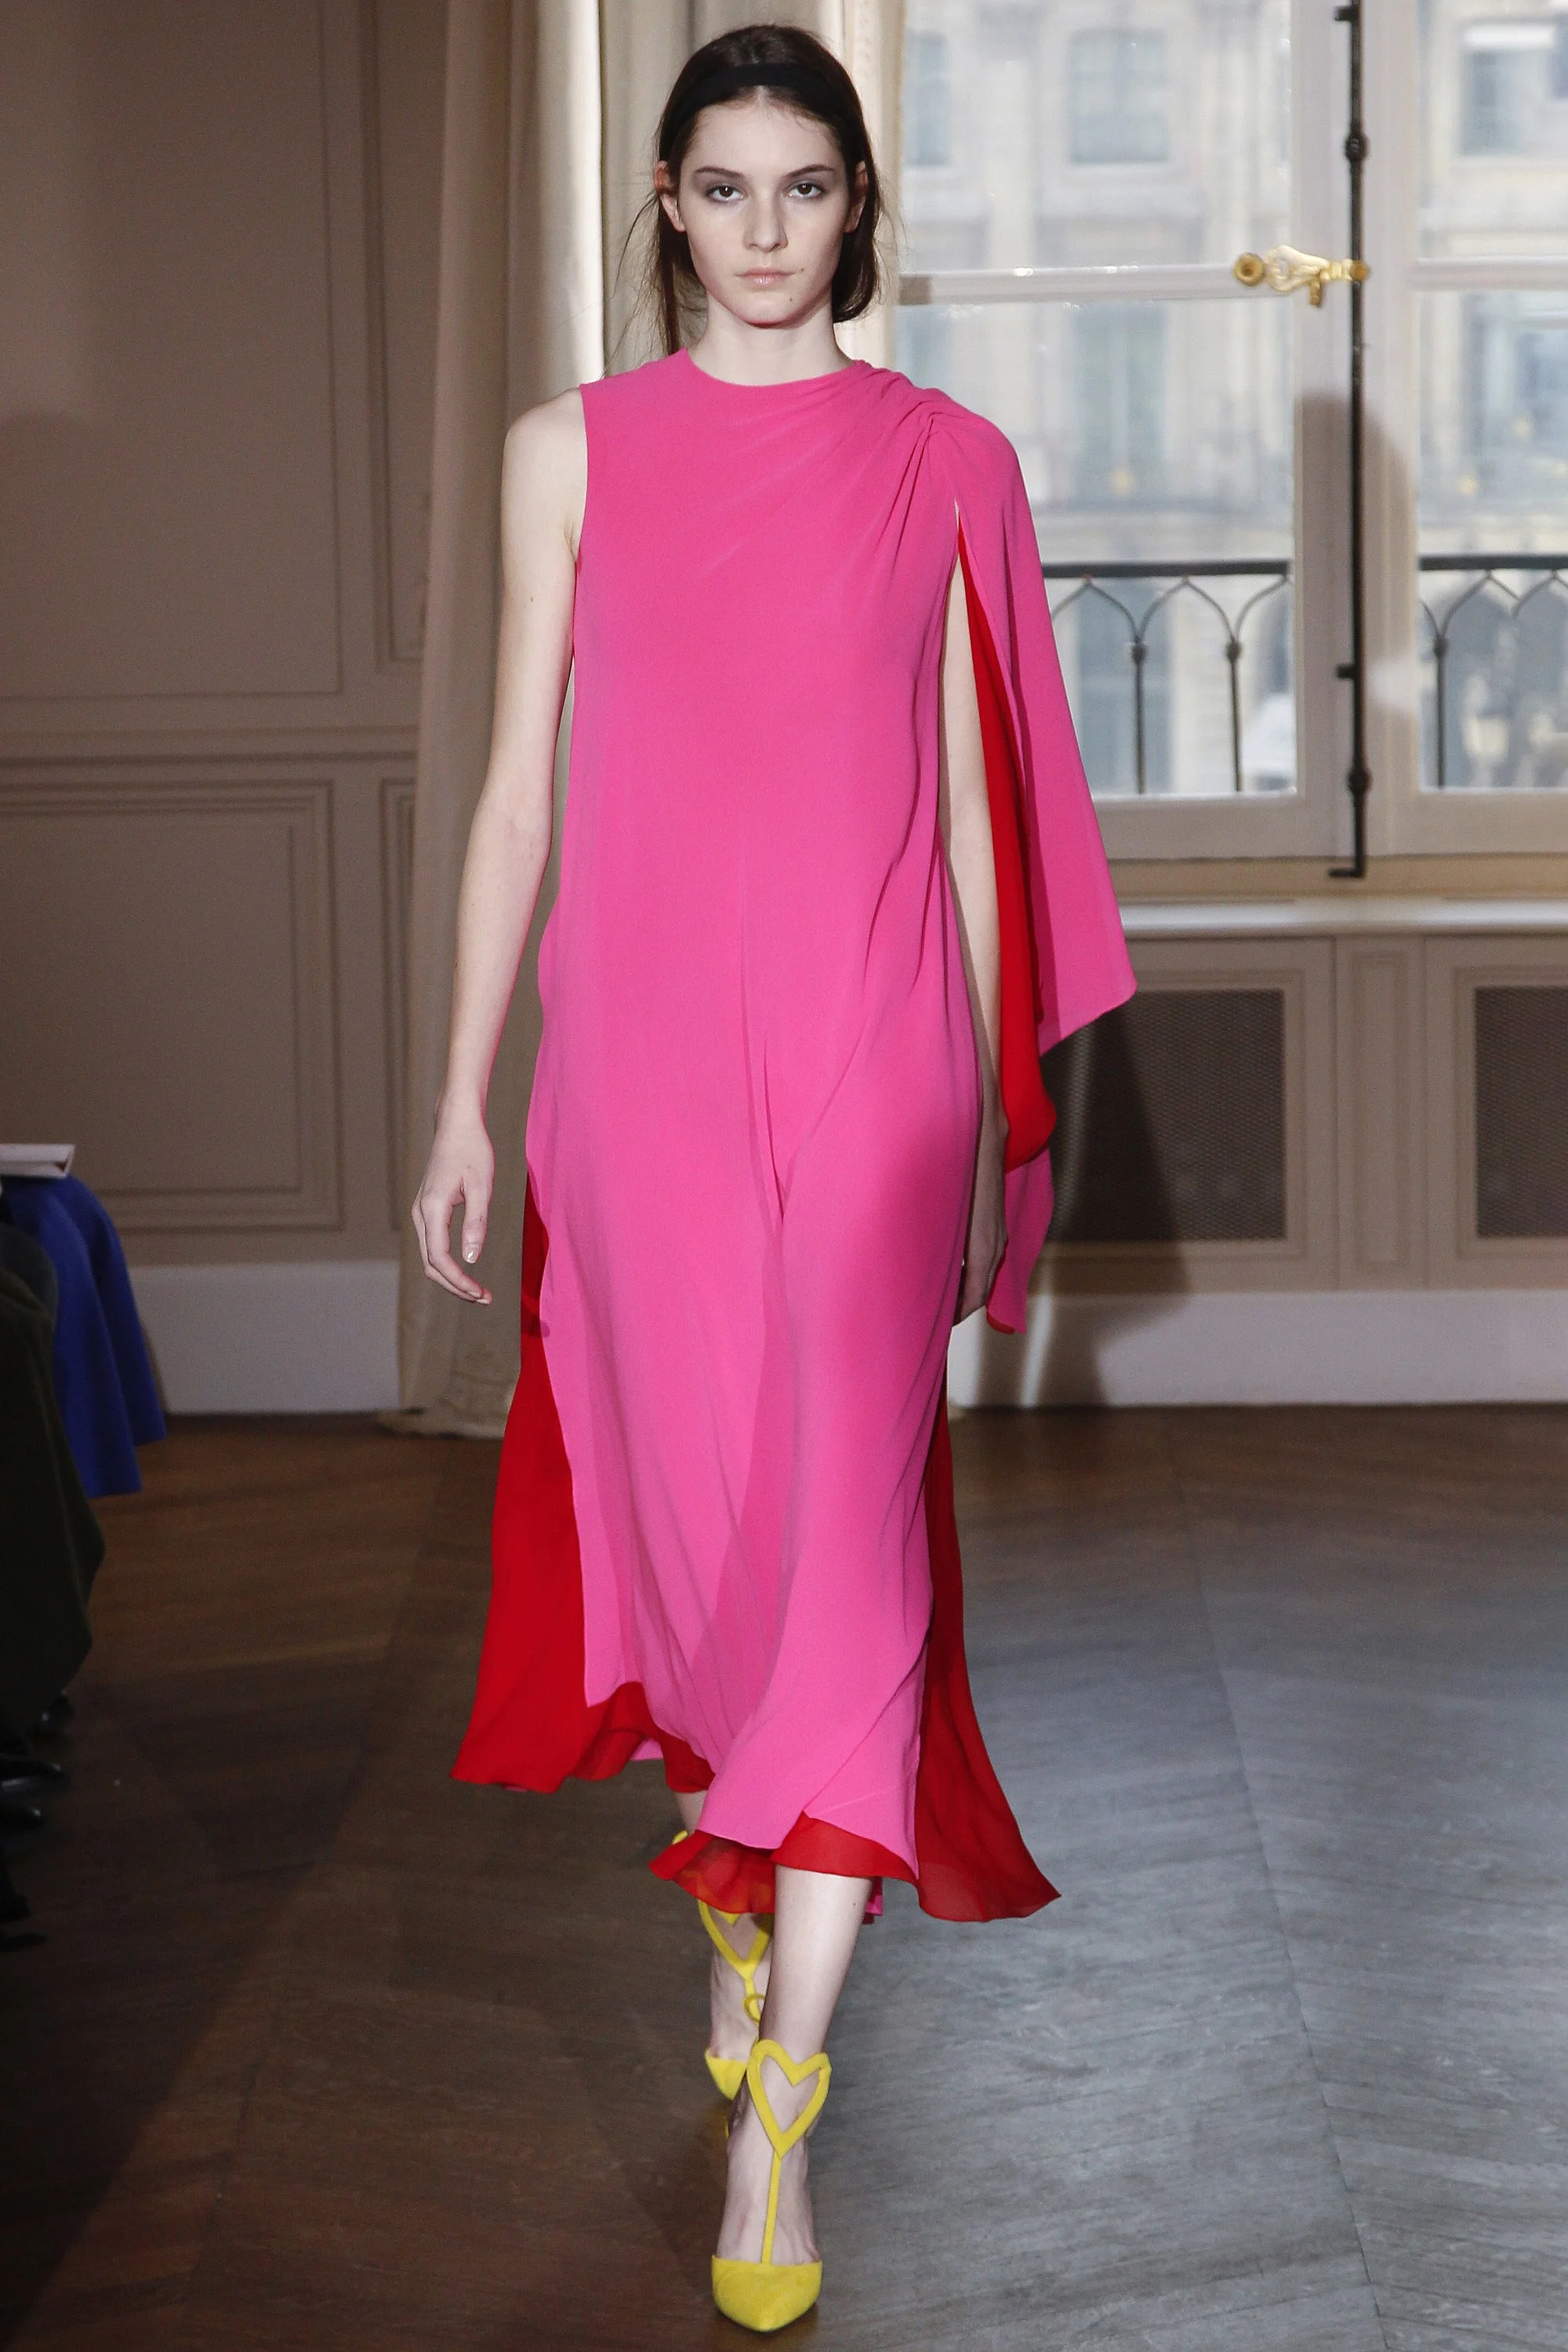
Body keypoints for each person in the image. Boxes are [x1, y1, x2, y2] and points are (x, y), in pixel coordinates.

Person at [413, 24, 1133, 2332]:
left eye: (802, 188)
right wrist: (462, 1096)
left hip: (877, 1059)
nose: (760, 230)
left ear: (856, 208)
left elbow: (984, 808)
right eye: (720, 188)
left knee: (848, 1548)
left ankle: (779, 2124)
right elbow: (517, 789)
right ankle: (739, 1875)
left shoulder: (948, 461)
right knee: (704, 1534)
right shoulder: (567, 454)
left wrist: (1000, 1118)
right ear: (664, 201)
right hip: (634, 1075)